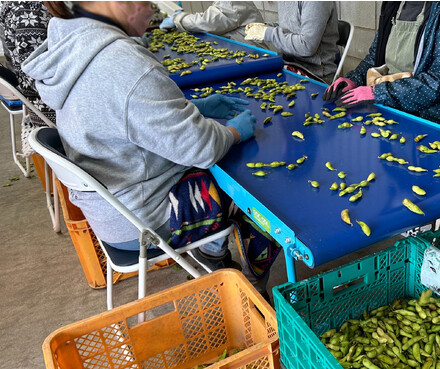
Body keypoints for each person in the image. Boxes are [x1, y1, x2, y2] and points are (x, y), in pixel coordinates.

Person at [24, 2, 278, 292]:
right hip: (148, 219)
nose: (153, 10)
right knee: (262, 193)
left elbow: (120, 115)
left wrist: (194, 108)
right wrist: (234, 132)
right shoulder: (123, 63)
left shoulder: (72, 44)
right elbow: (202, 148)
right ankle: (250, 290)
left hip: (113, 212)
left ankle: (213, 252)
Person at [323, 1, 440, 138]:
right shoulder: (394, 4)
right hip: (394, 96)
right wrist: (354, 79)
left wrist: (378, 93)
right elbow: (376, 56)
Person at [0, 2, 56, 147]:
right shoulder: (29, 12)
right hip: (52, 109)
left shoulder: (24, 7)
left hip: (43, 103)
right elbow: (37, 75)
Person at [244, 1, 339, 83]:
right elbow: (288, 27)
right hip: (287, 65)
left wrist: (268, 33)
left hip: (315, 74)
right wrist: (264, 27)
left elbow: (306, 46)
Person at [159, 1, 269, 49]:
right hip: (241, 50)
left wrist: (177, 19)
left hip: (253, 54)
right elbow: (215, 15)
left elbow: (209, 22)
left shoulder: (232, 2)